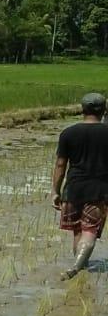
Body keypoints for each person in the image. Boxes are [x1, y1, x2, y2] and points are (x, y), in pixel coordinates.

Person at [52, 92, 108, 280]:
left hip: (73, 188)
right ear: (104, 110)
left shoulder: (68, 133)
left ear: (82, 109)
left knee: (77, 230)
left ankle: (79, 269)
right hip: (99, 190)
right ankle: (77, 267)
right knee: (90, 230)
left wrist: (55, 191)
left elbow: (60, 165)